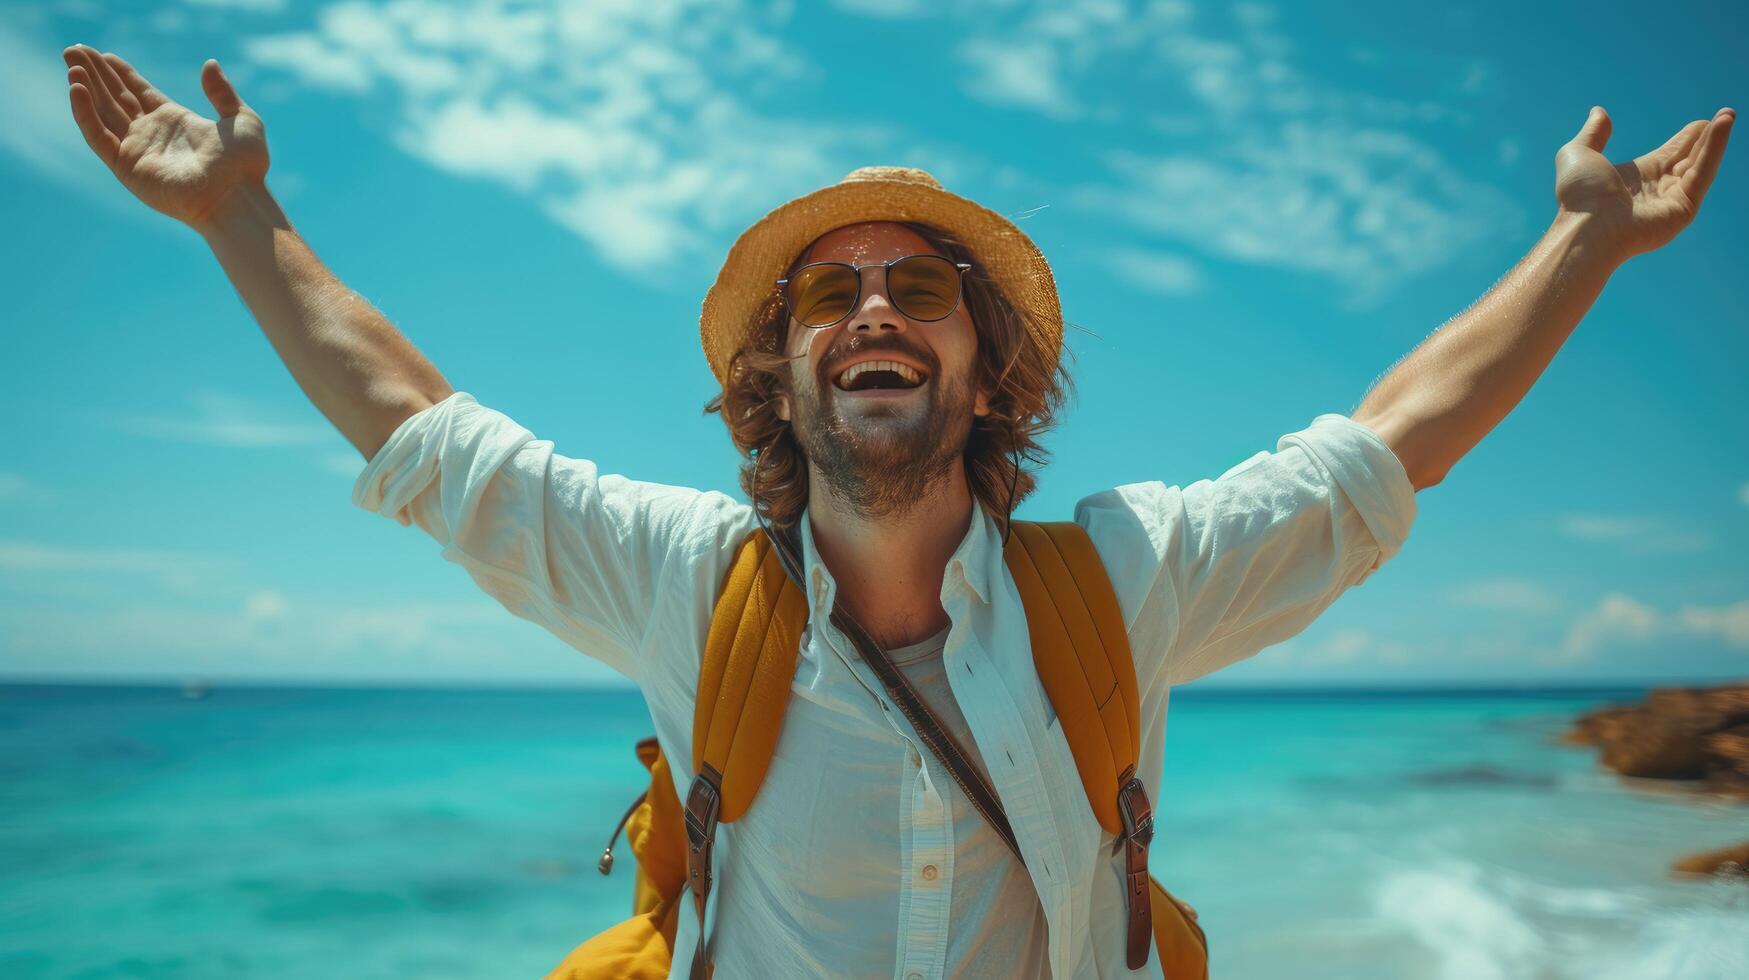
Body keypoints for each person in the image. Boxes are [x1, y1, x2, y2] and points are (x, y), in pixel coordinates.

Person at [60, 42, 1734, 979]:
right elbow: (428, 435)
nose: (871, 310)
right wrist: (237, 218)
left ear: (984, 376)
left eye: (917, 287)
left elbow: (1384, 447)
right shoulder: (678, 576)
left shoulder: (1127, 577)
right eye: (829, 296)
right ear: (776, 383)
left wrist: (1582, 243)